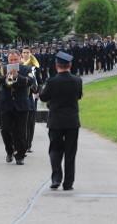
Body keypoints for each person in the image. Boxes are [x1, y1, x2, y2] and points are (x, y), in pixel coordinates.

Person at [39, 51, 83, 190]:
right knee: (70, 153)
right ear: (70, 65)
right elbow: (78, 96)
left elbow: (43, 97)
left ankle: (56, 178)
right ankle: (68, 183)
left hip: (56, 121)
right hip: (72, 121)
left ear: (56, 65)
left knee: (55, 150)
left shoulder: (52, 81)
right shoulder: (77, 80)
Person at [0, 50, 33, 165]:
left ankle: (20, 155)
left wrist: (18, 76)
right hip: (6, 104)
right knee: (5, 130)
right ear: (8, 60)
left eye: (15, 60)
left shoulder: (26, 69)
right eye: (11, 60)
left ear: (20, 59)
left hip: (21, 105)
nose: (13, 62)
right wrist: (6, 77)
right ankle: (9, 151)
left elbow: (30, 81)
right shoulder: (3, 69)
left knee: (21, 132)